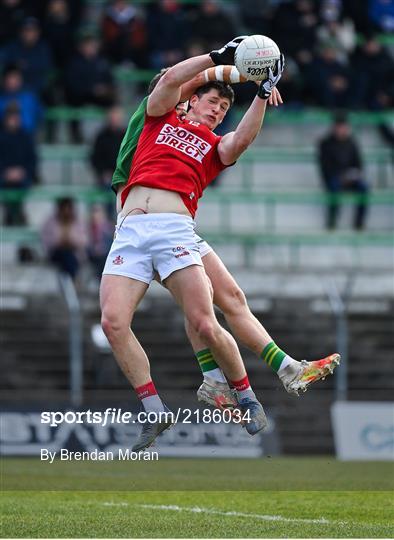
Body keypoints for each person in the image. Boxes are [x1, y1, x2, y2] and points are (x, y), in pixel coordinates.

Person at [110, 64, 341, 411]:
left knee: (228, 298)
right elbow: (173, 83)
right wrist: (234, 67)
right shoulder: (155, 120)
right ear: (188, 100)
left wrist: (260, 91)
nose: (218, 109)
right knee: (200, 310)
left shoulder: (213, 142)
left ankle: (279, 369)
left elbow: (241, 138)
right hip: (140, 225)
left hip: (175, 226)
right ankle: (217, 380)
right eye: (212, 101)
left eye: (223, 106)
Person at [318, 113, 369, 230]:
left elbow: (359, 164)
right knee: (334, 187)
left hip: (351, 178)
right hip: (334, 177)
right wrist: (340, 176)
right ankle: (332, 220)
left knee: (364, 188)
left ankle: (359, 223)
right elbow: (325, 167)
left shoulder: (352, 143)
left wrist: (354, 174)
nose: (342, 130)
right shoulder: (325, 144)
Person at [0, 103, 36, 225]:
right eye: (11, 117)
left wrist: (23, 171)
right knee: (7, 184)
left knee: (21, 183)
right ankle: (10, 213)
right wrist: (5, 172)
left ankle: (16, 213)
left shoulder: (26, 137)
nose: (13, 120)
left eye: (16, 117)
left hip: (22, 175)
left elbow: (32, 159)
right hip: (3, 176)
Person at [41, 197, 87, 280]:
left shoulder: (78, 222)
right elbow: (46, 240)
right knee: (66, 256)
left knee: (68, 257)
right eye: (64, 209)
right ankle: (73, 280)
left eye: (68, 209)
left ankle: (68, 282)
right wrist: (59, 242)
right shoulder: (51, 222)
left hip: (74, 253)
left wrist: (71, 241)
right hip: (56, 253)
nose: (66, 212)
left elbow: (83, 240)